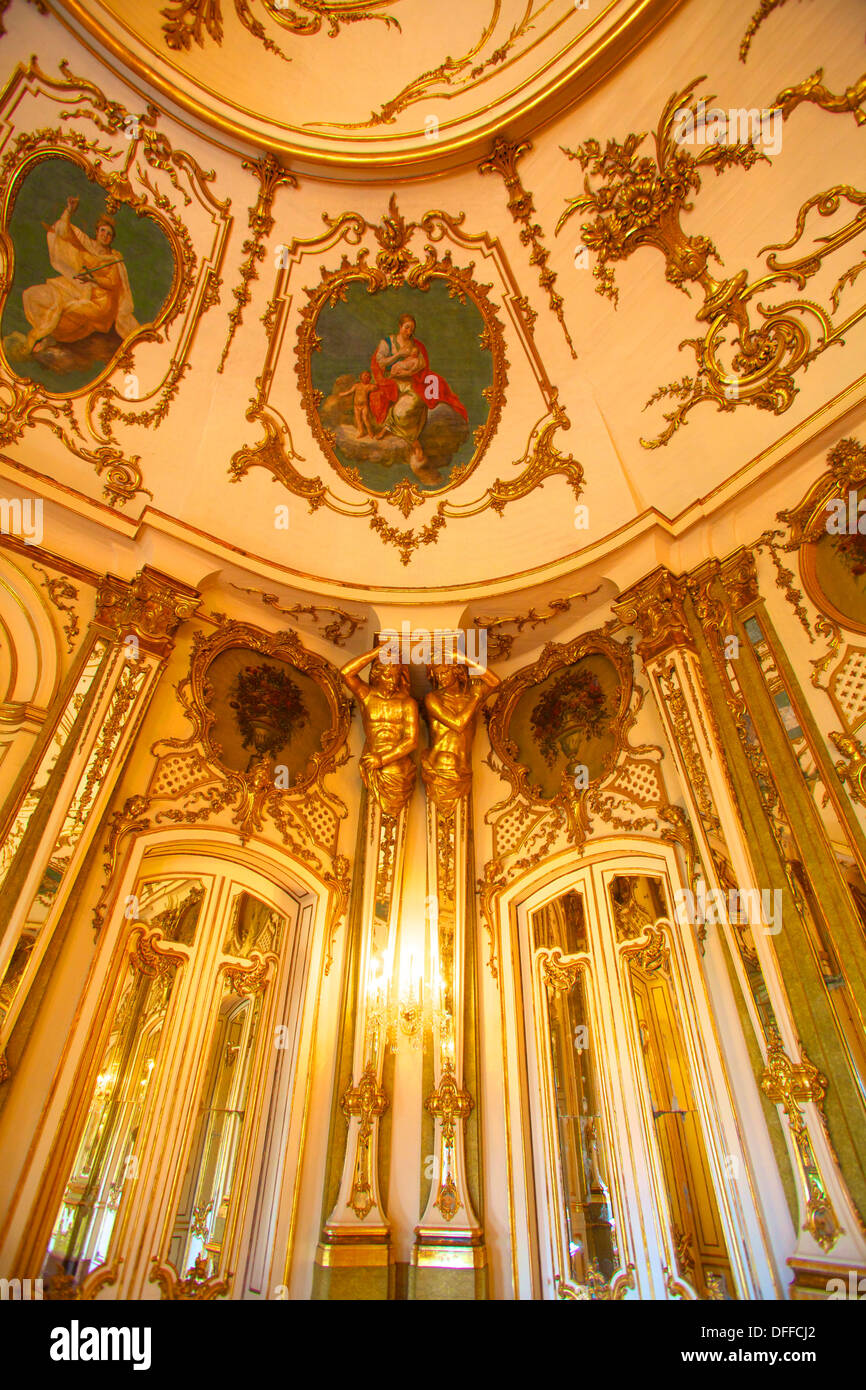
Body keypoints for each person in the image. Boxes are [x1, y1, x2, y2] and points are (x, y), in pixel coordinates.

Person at [21, 196, 138, 355]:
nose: (105, 235)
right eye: (103, 231)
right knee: (44, 296)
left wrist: (93, 279)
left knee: (68, 308)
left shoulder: (113, 258)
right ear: (96, 232)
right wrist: (69, 210)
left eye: (109, 234)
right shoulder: (86, 243)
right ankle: (49, 333)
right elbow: (64, 231)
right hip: (80, 286)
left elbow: (113, 283)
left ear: (112, 239)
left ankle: (49, 337)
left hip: (101, 300)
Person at [369, 314, 466, 475]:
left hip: (410, 380)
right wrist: (399, 355)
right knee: (405, 406)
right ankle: (414, 443)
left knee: (416, 401)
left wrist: (411, 368)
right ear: (400, 327)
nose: (409, 331)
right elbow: (381, 363)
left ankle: (389, 427)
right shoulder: (387, 342)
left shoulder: (415, 345)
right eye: (406, 327)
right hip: (391, 380)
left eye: (412, 329)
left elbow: (421, 364)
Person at [340, 642, 419, 818]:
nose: (393, 681)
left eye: (396, 676)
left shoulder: (407, 703)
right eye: (388, 676)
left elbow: (412, 741)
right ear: (378, 675)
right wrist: (375, 653)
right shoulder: (367, 696)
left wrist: (382, 759)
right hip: (372, 766)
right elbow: (346, 673)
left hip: (397, 768)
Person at [421, 653, 500, 817]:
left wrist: (465, 660)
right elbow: (458, 724)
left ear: (455, 671)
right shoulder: (433, 699)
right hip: (440, 767)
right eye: (437, 675)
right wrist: (476, 697)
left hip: (462, 769)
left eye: (444, 672)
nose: (440, 678)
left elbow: (495, 682)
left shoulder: (468, 697)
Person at [336, 371, 385, 439]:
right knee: (358, 420)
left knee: (365, 419)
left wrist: (377, 386)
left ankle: (371, 433)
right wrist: (342, 394)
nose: (366, 377)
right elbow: (350, 391)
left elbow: (377, 388)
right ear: (361, 377)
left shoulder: (370, 386)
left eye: (368, 376)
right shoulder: (357, 385)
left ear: (369, 378)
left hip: (364, 406)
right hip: (356, 406)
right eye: (364, 376)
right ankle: (361, 432)